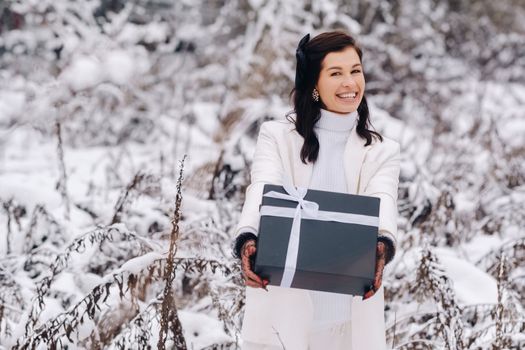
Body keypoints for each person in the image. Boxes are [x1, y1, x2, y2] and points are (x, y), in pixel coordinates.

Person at [232, 31, 400, 350]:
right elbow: (263, 187)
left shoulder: (381, 150)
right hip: (283, 316)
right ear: (313, 84)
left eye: (355, 71)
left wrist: (383, 244)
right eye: (335, 73)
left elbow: (383, 200)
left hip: (348, 325)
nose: (350, 83)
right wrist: (248, 237)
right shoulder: (277, 137)